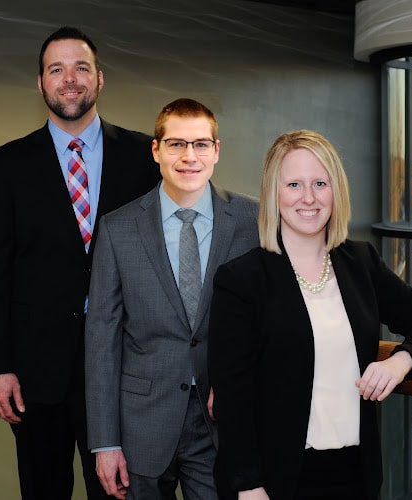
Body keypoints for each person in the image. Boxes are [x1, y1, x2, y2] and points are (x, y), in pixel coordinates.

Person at [208, 129, 412, 500]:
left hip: (356, 475)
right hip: (273, 481)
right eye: (294, 184)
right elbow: (231, 397)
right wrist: (249, 486)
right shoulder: (241, 279)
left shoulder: (360, 261)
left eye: (320, 183)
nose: (308, 197)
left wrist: (400, 362)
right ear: (273, 193)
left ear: (336, 191)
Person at [0, 26, 161, 500]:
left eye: (81, 67)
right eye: (56, 69)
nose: (70, 79)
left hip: (125, 365)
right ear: (40, 83)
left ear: (100, 78)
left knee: (120, 492)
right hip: (38, 370)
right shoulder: (10, 163)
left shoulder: (144, 158)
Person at [84, 98, 260, 500]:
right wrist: (105, 443)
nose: (189, 156)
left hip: (220, 421)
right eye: (176, 144)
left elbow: (266, 321)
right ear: (156, 150)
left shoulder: (253, 222)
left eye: (200, 144)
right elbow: (102, 339)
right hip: (141, 424)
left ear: (216, 150)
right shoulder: (118, 228)